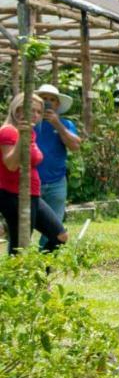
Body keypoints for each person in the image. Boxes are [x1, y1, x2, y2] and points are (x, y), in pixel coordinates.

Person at [1, 94, 68, 254]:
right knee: (20, 246)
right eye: (30, 110)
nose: (36, 115)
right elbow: (10, 164)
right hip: (14, 194)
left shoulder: (30, 133)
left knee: (60, 235)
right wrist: (21, 139)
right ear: (18, 111)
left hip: (32, 194)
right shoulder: (9, 132)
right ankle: (18, 278)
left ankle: (40, 274)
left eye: (39, 111)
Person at [33, 83, 81, 249]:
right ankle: (19, 267)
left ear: (57, 104)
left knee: (54, 230)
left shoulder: (65, 124)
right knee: (23, 226)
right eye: (43, 98)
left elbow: (75, 146)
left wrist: (57, 124)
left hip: (56, 183)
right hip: (31, 183)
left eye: (52, 99)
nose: (47, 102)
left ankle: (46, 268)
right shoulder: (28, 122)